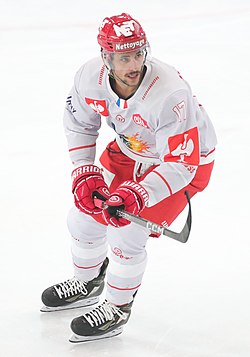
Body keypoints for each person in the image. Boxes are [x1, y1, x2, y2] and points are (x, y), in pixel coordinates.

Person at [41, 13, 217, 342]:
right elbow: (79, 124)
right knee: (83, 215)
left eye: (138, 54)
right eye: (124, 57)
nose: (133, 64)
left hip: (182, 164)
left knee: (126, 237)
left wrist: (139, 193)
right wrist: (84, 171)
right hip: (132, 148)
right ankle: (88, 280)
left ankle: (118, 307)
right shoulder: (88, 78)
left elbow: (182, 163)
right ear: (106, 58)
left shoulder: (168, 92)